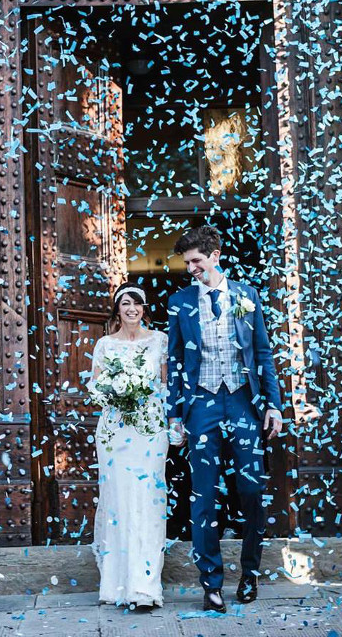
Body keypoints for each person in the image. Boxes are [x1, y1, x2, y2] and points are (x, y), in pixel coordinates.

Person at [166, 226, 283, 611]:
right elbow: (175, 361)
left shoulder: (247, 296)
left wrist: (273, 405)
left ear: (215, 255)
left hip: (242, 403)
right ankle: (211, 584)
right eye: (187, 263)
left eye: (197, 261)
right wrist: (175, 415)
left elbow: (263, 354)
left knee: (251, 492)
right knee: (203, 496)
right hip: (201, 404)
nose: (192, 269)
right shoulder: (180, 302)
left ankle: (249, 575)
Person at [90, 282, 169, 608]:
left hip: (149, 430)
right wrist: (116, 392)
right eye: (125, 303)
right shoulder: (105, 345)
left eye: (137, 303)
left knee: (148, 501)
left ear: (144, 308)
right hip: (115, 431)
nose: (132, 308)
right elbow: (95, 387)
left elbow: (165, 386)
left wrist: (172, 422)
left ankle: (145, 587)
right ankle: (116, 585)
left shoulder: (160, 341)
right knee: (119, 503)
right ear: (117, 309)